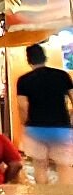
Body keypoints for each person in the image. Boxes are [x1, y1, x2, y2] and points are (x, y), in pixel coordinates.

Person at [16, 43, 73, 186]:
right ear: (45, 57)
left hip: (35, 128)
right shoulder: (62, 76)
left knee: (40, 165)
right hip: (61, 127)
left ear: (29, 60)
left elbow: (23, 106)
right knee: (63, 165)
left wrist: (24, 123)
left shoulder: (24, 80)